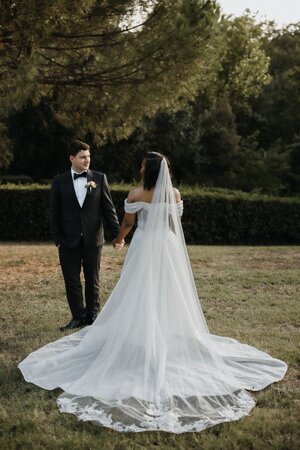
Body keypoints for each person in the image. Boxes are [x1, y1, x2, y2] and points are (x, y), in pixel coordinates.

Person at [19, 151, 287, 433]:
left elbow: (127, 224)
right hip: (168, 245)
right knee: (169, 290)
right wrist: (168, 240)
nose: (139, 166)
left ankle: (142, 334)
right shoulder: (174, 192)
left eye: (143, 164)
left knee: (138, 290)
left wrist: (120, 239)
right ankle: (165, 333)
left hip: (145, 245)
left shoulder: (136, 193)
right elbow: (175, 224)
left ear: (148, 170)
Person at [50, 139, 122, 331]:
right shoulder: (59, 181)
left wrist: (117, 235)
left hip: (93, 239)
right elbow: (54, 212)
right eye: (82, 157)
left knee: (93, 280)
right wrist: (58, 239)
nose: (87, 160)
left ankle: (92, 317)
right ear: (72, 158)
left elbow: (109, 209)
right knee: (72, 281)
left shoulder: (99, 178)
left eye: (88, 157)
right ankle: (77, 317)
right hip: (68, 241)